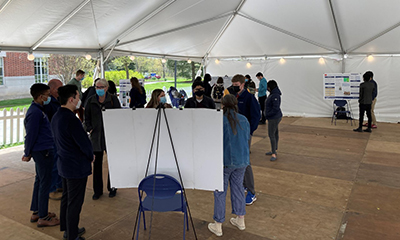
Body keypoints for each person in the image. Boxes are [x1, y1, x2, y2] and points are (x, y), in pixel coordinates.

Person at [51, 84, 93, 240]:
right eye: (77, 96)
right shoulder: (71, 119)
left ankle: (69, 229)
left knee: (67, 199)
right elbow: (83, 143)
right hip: (75, 167)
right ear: (71, 99)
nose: (79, 99)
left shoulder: (57, 116)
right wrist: (90, 155)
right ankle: (72, 235)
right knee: (74, 203)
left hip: (64, 163)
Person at [208, 94, 250, 237]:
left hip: (225, 162)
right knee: (238, 189)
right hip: (243, 160)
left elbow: (214, 141)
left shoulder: (220, 120)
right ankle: (241, 220)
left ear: (223, 105)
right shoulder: (244, 120)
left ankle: (218, 225)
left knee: (220, 191)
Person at [22, 83, 60, 227]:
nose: (49, 97)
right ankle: (43, 217)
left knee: (40, 180)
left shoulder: (39, 109)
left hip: (44, 149)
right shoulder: (35, 113)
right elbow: (30, 135)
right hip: (42, 151)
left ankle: (37, 211)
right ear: (40, 96)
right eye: (48, 95)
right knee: (45, 183)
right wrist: (27, 152)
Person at [84, 79, 121, 200]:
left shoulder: (113, 99)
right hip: (96, 137)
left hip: (110, 136)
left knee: (113, 163)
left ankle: (113, 187)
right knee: (97, 164)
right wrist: (89, 128)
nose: (98, 89)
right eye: (96, 87)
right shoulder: (91, 100)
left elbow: (118, 116)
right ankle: (97, 190)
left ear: (106, 88)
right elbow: (86, 117)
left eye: (101, 87)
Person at [228, 74, 260, 205]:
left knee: (245, 161)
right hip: (234, 134)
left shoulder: (249, 98)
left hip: (244, 134)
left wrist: (249, 132)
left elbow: (256, 116)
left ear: (242, 85)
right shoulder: (234, 96)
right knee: (238, 160)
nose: (234, 88)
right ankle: (244, 185)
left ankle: (252, 192)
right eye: (233, 85)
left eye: (236, 86)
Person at [44, 79, 63, 201]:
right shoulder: (48, 104)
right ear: (52, 89)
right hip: (51, 137)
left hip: (58, 136)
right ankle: (52, 189)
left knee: (60, 161)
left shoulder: (57, 101)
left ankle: (59, 184)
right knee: (53, 164)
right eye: (58, 89)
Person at [264, 80, 283, 161]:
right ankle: (274, 149)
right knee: (275, 133)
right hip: (274, 116)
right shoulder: (273, 94)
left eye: (268, 87)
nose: (267, 88)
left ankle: (274, 153)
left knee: (271, 134)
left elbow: (275, 108)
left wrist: (267, 114)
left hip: (274, 117)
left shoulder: (275, 95)